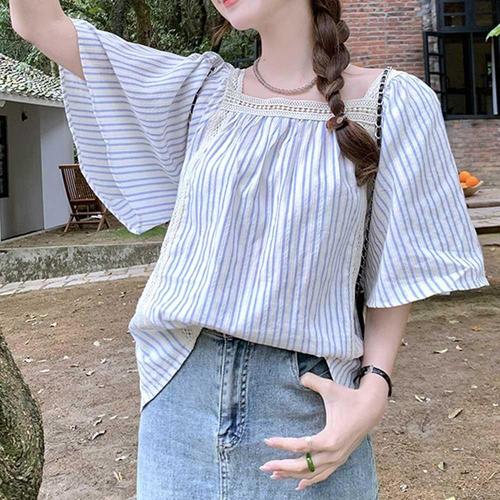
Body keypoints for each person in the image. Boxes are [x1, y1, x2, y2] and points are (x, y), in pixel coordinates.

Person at [10, 0, 490, 498]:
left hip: (311, 403)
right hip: (181, 397)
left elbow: (398, 265)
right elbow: (39, 23)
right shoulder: (199, 93)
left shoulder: (393, 102)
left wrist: (374, 389)